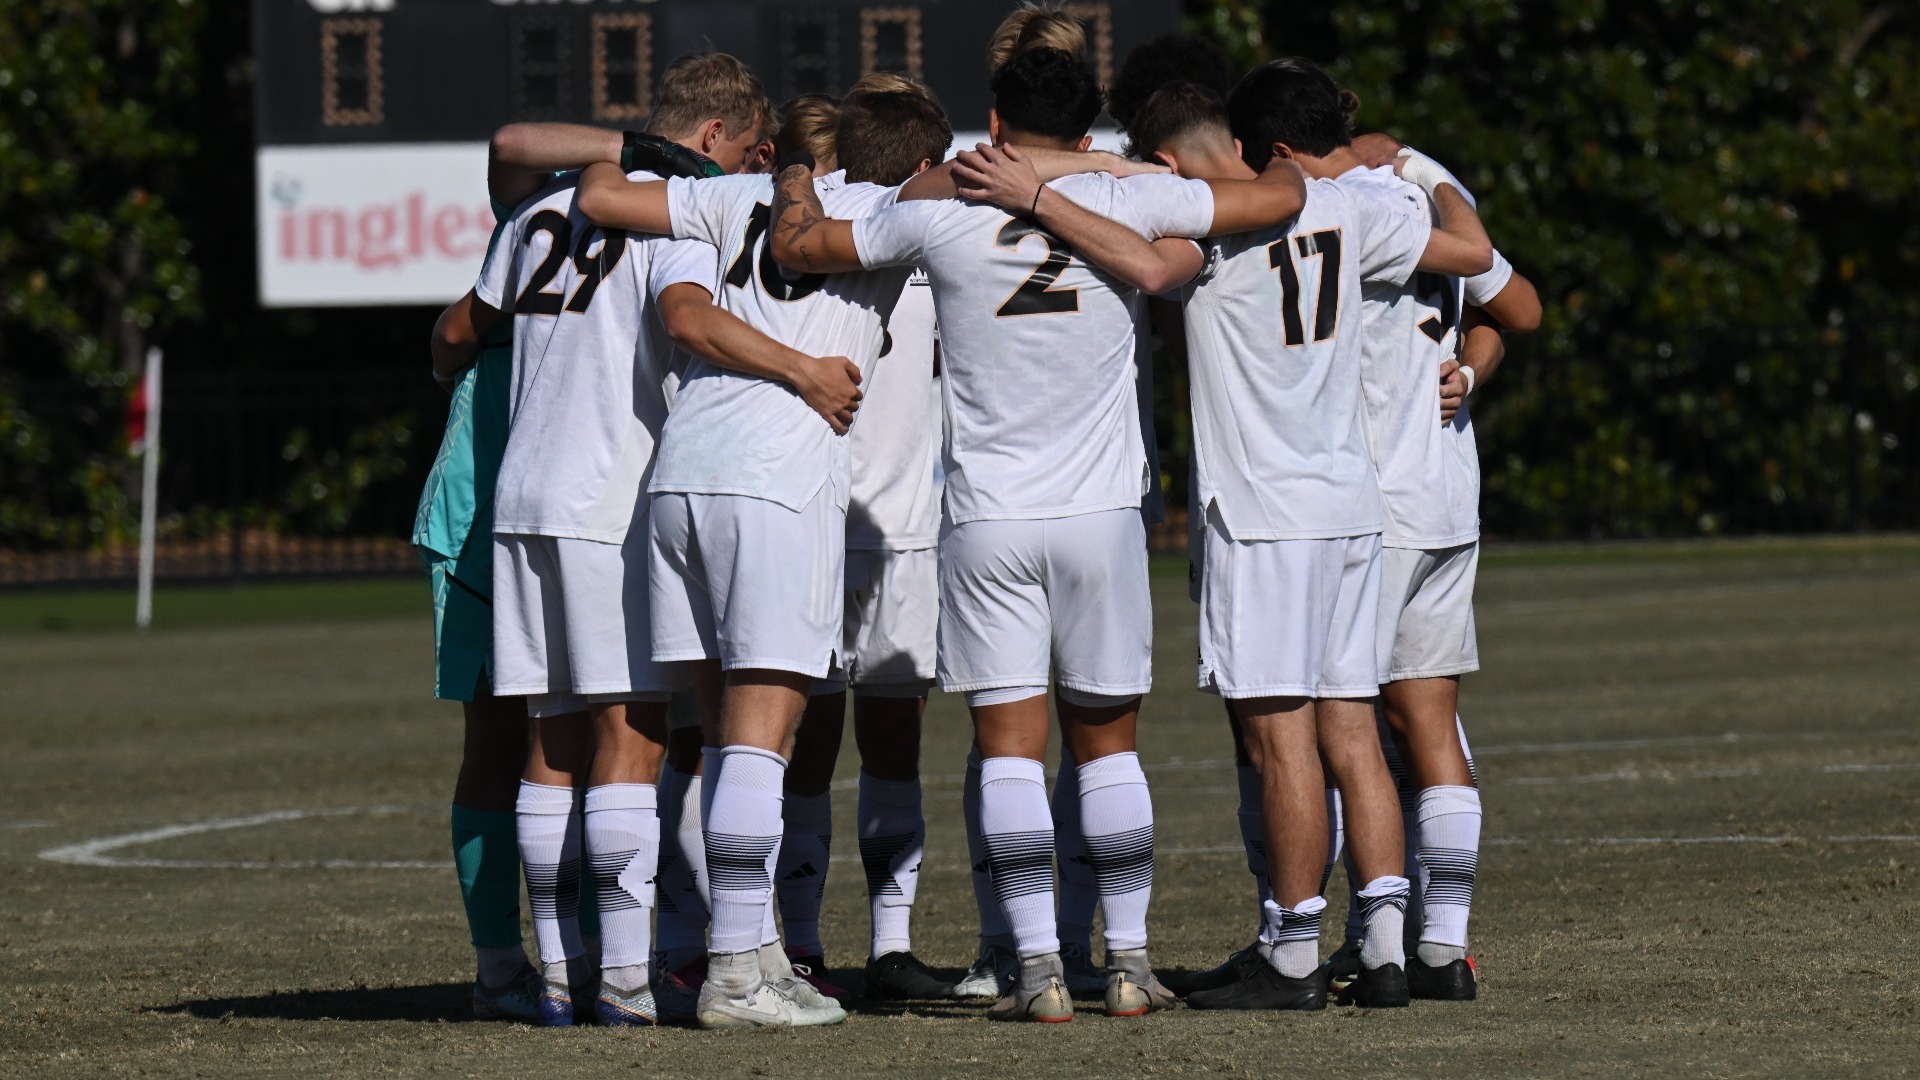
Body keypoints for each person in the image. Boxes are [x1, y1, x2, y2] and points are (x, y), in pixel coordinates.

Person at [766, 46, 1316, 1023]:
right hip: (1103, 516)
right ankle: (1134, 963)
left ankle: (1038, 970)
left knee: (1012, 750)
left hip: (989, 518)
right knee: (1108, 749)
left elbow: (802, 249)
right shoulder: (1134, 199)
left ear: (992, 118)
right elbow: (1274, 204)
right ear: (1092, 124)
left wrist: (797, 176)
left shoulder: (942, 207)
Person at [945, 67, 1494, 1010]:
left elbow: (1143, 260)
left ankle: (1290, 955)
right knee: (1353, 731)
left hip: (1263, 515)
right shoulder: (1344, 204)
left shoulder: (1187, 224)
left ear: (1160, 162)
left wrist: (1036, 187)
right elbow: (1474, 255)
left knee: (1283, 743)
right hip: (1354, 505)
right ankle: (1393, 948)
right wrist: (1405, 161)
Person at [438, 52, 846, 1028]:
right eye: (755, 150)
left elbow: (464, 328)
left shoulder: (545, 211)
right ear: (713, 142)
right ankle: (624, 980)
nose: (762, 166)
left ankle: (553, 974)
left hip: (524, 491)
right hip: (605, 492)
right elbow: (685, 318)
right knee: (633, 736)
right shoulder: (681, 211)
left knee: (552, 742)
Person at [573, 86, 960, 1031]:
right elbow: (1010, 176)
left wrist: (632, 147)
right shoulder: (897, 208)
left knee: (721, 735)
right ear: (915, 164)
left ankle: (751, 953)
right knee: (762, 739)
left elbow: (597, 195)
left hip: (680, 476)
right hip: (773, 481)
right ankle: (738, 983)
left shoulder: (726, 195)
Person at [1333, 129, 1542, 1000]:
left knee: (1341, 728)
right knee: (1428, 719)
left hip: (1377, 505)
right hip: (1450, 496)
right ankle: (1443, 952)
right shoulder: (1428, 194)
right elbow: (1511, 308)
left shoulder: (1340, 211)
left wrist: (1472, 363)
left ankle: (1372, 939)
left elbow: (1511, 311)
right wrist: (1471, 364)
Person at [774, 74, 957, 1005]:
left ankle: (805, 947)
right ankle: (882, 946)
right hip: (893, 526)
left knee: (804, 742)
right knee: (888, 744)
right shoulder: (930, 210)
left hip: (811, 516)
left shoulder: (798, 214)